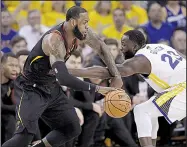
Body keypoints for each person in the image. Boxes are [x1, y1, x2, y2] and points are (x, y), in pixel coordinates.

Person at [2, 6, 122, 147]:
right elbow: (63, 78)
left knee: (72, 127)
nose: (87, 27)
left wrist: (117, 75)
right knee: (24, 137)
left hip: (50, 86)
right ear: (73, 22)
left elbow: (101, 47)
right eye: (84, 22)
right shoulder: (54, 40)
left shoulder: (81, 33)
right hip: (31, 89)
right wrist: (97, 88)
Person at [69, 30, 186, 147]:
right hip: (178, 87)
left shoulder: (139, 61)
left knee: (141, 110)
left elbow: (104, 72)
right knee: (150, 113)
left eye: (124, 45)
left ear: (134, 46)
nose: (121, 48)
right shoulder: (159, 47)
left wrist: (69, 72)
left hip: (182, 89)